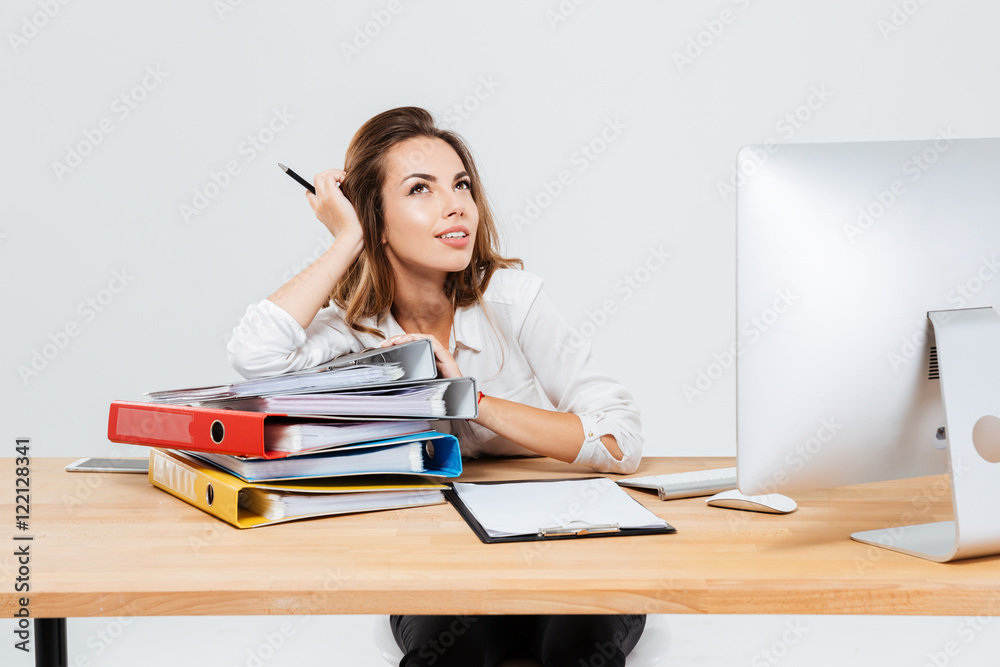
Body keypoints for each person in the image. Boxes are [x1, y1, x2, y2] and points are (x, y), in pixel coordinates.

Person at [227, 106, 645, 667]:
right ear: (376, 221)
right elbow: (255, 356)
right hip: (443, 560)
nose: (456, 206)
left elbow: (620, 441)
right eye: (420, 189)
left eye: (462, 185)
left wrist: (472, 401)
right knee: (448, 656)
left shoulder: (512, 300)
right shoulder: (355, 330)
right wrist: (347, 238)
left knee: (579, 654)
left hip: (563, 545)